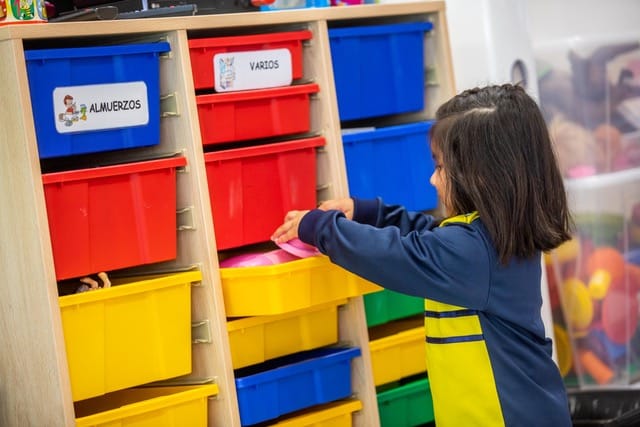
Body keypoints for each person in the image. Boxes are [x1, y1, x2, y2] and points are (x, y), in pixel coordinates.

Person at [272, 83, 574, 426]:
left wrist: (320, 227)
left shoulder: (472, 255)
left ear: (481, 178)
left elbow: (395, 255)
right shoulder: (490, 237)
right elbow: (431, 236)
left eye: (441, 168)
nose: (433, 180)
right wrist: (369, 213)